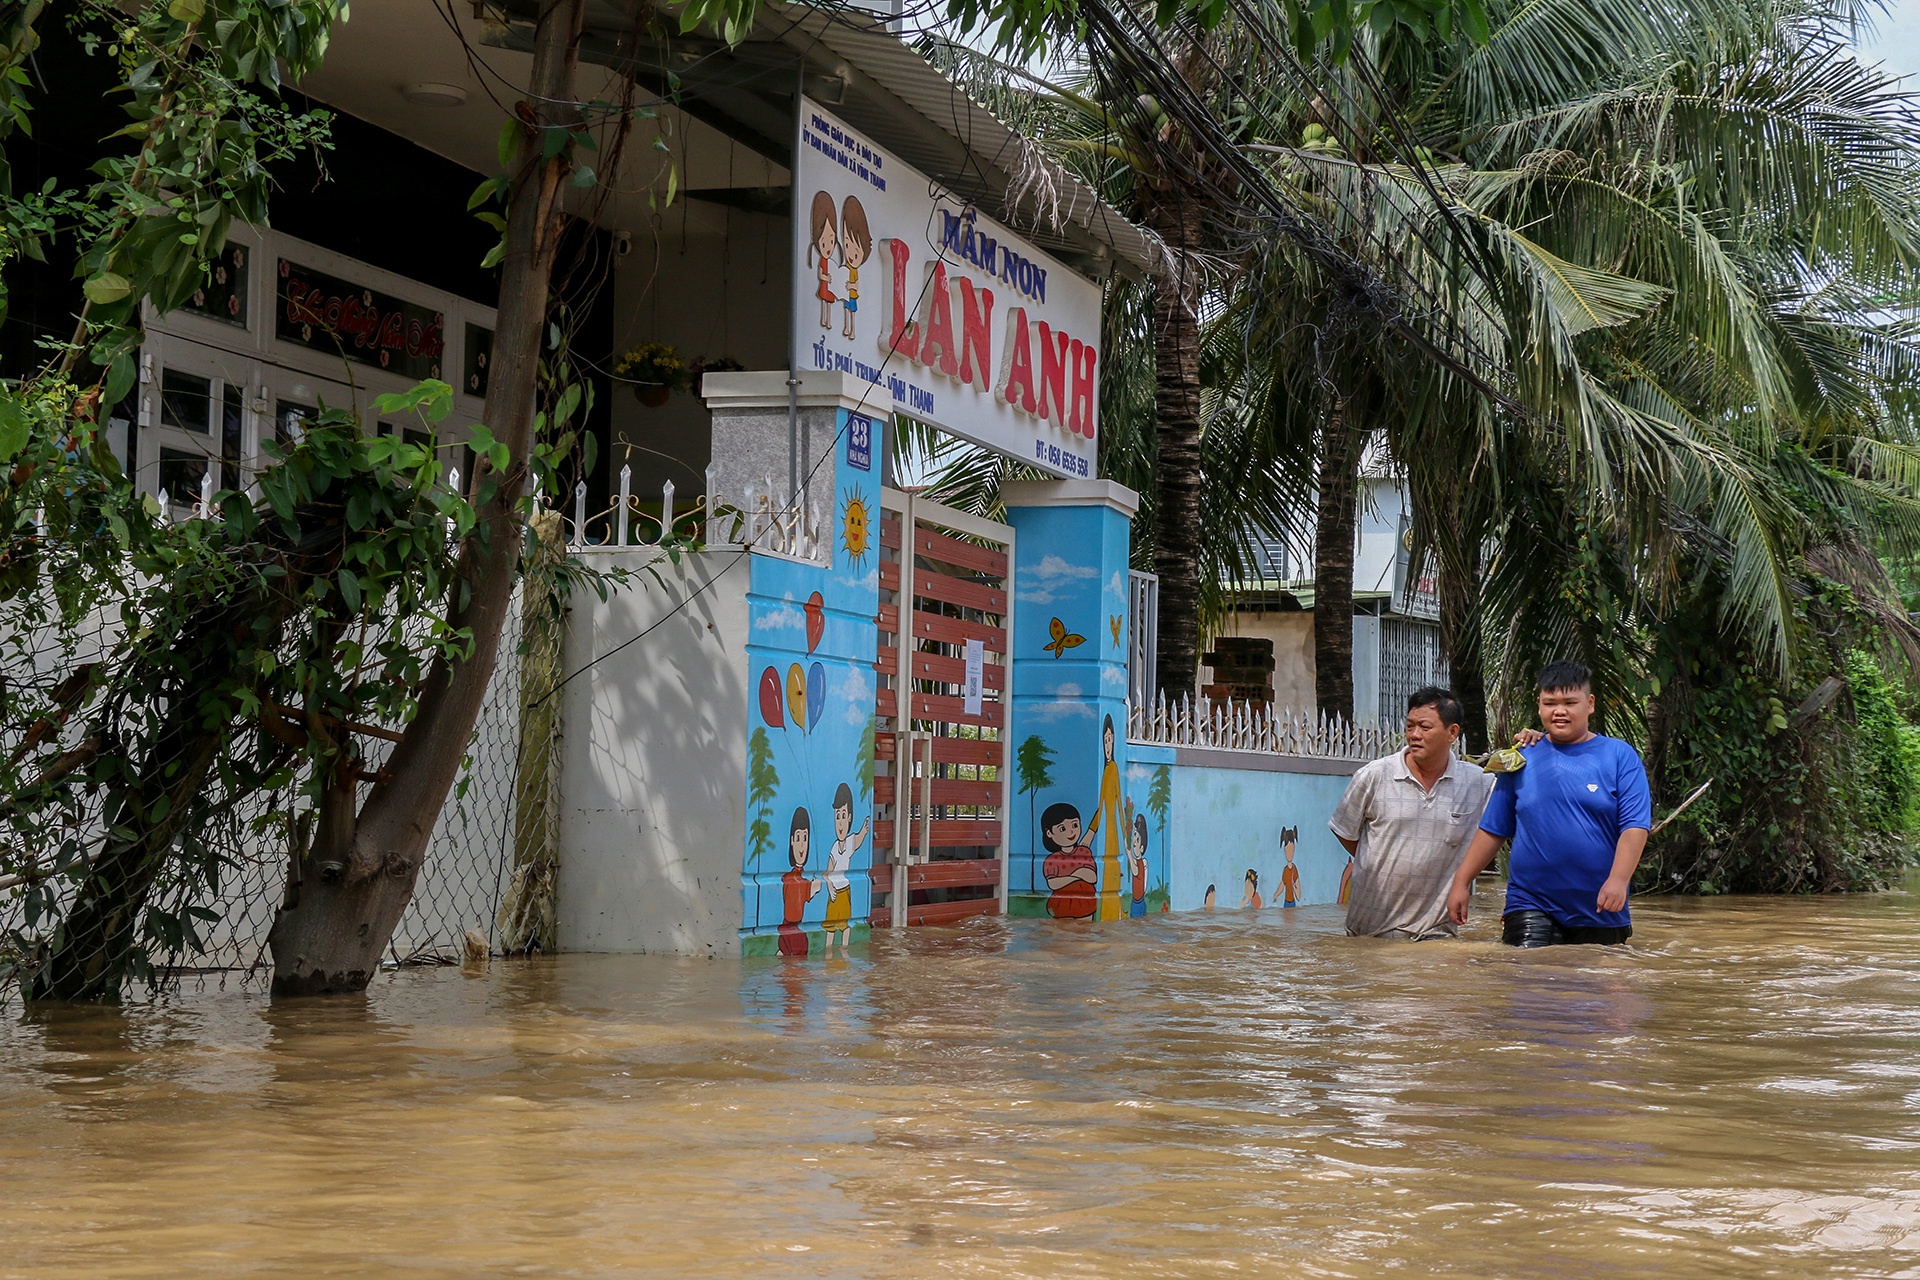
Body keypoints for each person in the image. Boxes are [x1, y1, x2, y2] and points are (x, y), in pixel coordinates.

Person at [1446, 661, 1652, 946]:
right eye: (1550, 703)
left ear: (1590, 704)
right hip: (1529, 902)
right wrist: (1461, 881)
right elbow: (1494, 828)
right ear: (1539, 705)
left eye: (1570, 703)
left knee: (1598, 973)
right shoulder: (1521, 757)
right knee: (1527, 968)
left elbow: (1634, 826)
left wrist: (1619, 880)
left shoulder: (1620, 757)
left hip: (1600, 905)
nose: (1559, 711)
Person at [1329, 686, 1497, 940]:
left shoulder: (1479, 784)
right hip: (1371, 931)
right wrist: (1382, 860)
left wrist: (1536, 741)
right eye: (1410, 726)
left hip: (1436, 932)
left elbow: (1498, 830)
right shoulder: (1374, 776)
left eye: (1425, 727)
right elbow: (1345, 831)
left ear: (1452, 733)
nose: (1415, 735)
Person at [821, 782, 870, 956]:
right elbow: (826, 874)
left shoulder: (850, 842)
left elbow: (860, 837)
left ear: (849, 817)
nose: (840, 823)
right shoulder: (834, 848)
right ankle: (828, 956)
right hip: (834, 895)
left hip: (844, 892)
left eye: (843, 816)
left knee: (844, 926)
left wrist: (864, 829)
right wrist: (829, 887)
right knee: (829, 927)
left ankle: (844, 955)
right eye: (837, 817)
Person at [1041, 802, 1097, 919]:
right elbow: (1053, 884)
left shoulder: (1084, 852)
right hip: (1061, 906)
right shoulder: (1052, 860)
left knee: (1085, 929)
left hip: (1085, 905)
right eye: (1062, 828)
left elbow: (1092, 877)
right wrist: (1077, 875)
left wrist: (1067, 878)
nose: (1071, 832)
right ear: (1049, 833)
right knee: (1062, 929)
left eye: (1075, 825)